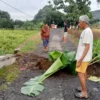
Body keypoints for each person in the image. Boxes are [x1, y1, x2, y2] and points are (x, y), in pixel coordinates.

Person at [75, 15, 93, 99]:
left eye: (79, 22)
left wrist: (80, 59)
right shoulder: (87, 31)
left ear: (84, 22)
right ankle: (83, 88)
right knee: (84, 72)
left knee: (80, 73)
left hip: (83, 58)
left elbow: (87, 46)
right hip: (85, 57)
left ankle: (84, 92)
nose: (78, 24)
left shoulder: (86, 32)